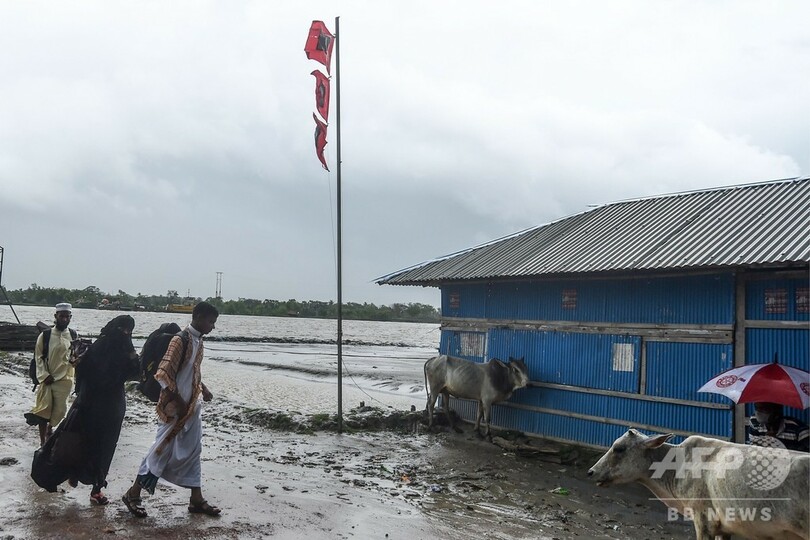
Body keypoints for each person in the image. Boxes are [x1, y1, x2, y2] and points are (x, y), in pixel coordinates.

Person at [122, 301, 221, 518]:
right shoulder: (180, 340)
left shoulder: (199, 341)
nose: (212, 326)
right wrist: (178, 400)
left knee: (194, 450)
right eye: (211, 321)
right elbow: (163, 373)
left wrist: (203, 389)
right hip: (174, 409)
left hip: (191, 406)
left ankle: (196, 498)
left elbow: (192, 371)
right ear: (198, 318)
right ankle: (133, 493)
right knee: (160, 451)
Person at [67, 314, 139, 505]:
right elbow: (136, 371)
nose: (125, 333)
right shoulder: (114, 348)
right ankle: (90, 484)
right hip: (105, 405)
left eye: (129, 330)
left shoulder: (98, 346)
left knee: (96, 444)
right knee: (98, 445)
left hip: (96, 404)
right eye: (123, 329)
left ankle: (92, 484)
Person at [25, 303, 76, 446]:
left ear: (70, 317)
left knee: (60, 411)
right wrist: (44, 375)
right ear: (56, 317)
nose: (64, 319)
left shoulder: (73, 334)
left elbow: (74, 355)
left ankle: (50, 429)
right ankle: (42, 442)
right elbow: (38, 356)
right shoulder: (45, 335)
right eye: (62, 316)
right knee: (43, 412)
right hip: (47, 379)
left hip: (65, 380)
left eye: (67, 317)